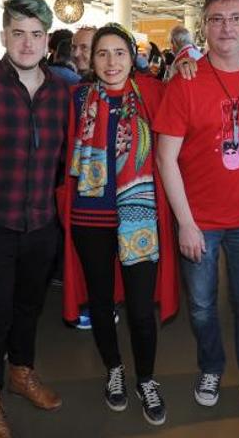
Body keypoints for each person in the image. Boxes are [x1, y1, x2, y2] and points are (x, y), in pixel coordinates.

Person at [154, 0, 239, 423]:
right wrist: (186, 224)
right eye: (216, 19)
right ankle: (210, 368)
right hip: (199, 219)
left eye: (235, 18)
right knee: (201, 303)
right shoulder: (184, 82)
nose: (226, 27)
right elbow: (165, 157)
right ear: (204, 27)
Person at [0, 0, 71, 438]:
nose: (27, 43)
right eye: (18, 33)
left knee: (29, 308)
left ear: (47, 40)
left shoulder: (63, 92)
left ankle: (21, 373)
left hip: (42, 224)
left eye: (36, 35)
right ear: (4, 34)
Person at [60, 25, 179, 426]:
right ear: (90, 61)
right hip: (88, 216)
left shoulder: (154, 93)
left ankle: (146, 379)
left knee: (141, 309)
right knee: (100, 302)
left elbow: (185, 117)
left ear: (133, 57)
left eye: (119, 53)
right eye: (102, 54)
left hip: (138, 214)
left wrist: (191, 66)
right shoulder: (76, 97)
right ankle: (113, 369)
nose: (111, 62)